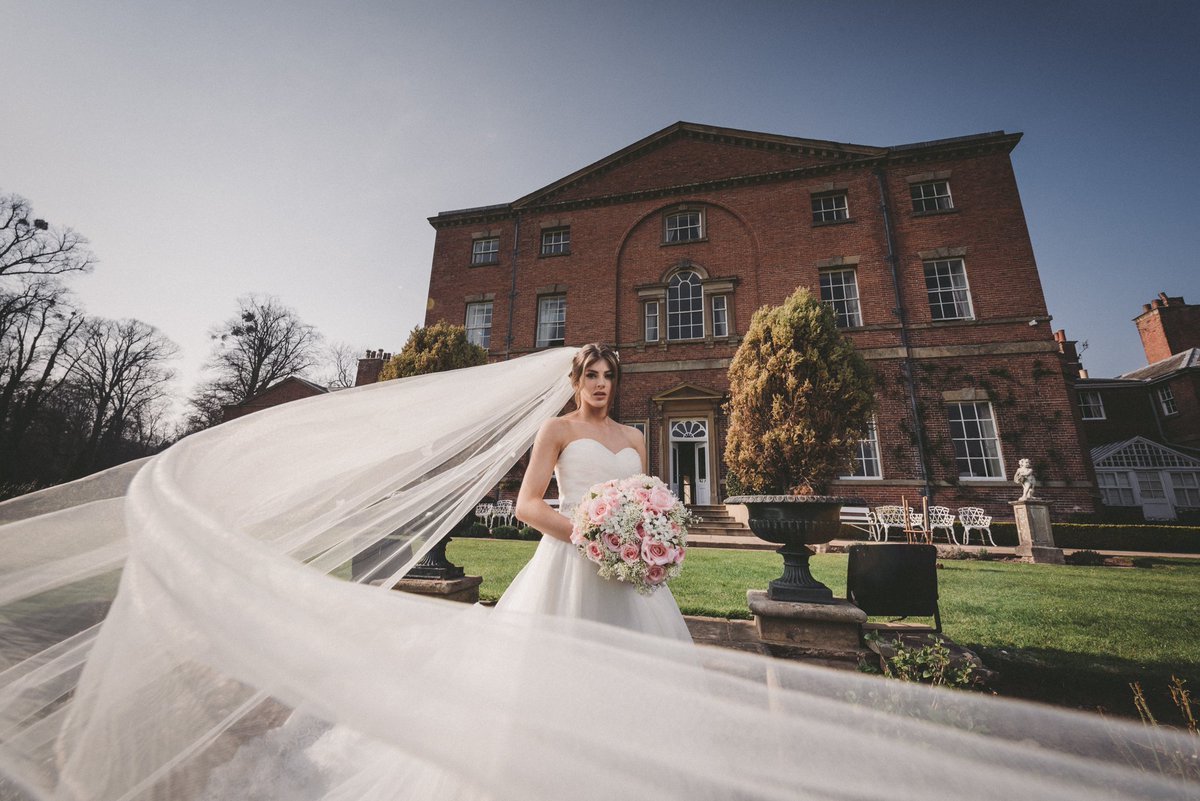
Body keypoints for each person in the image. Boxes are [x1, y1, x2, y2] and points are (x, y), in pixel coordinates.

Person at [495, 343, 692, 641]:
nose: (600, 383)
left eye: (608, 376)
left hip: (624, 567)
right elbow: (527, 505)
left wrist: (649, 536)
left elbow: (642, 503)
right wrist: (593, 538)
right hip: (569, 562)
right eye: (591, 375)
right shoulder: (557, 429)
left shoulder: (635, 437)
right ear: (576, 381)